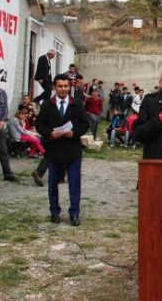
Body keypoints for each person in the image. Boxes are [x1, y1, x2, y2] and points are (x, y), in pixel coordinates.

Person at [35, 74, 90, 226]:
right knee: (52, 183)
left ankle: (74, 213)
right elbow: (39, 125)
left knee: (74, 183)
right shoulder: (47, 105)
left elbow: (85, 124)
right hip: (54, 150)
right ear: (54, 87)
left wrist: (74, 133)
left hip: (72, 150)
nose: (63, 89)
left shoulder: (77, 104)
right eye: (60, 86)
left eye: (66, 86)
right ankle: (54, 212)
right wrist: (49, 134)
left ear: (69, 86)